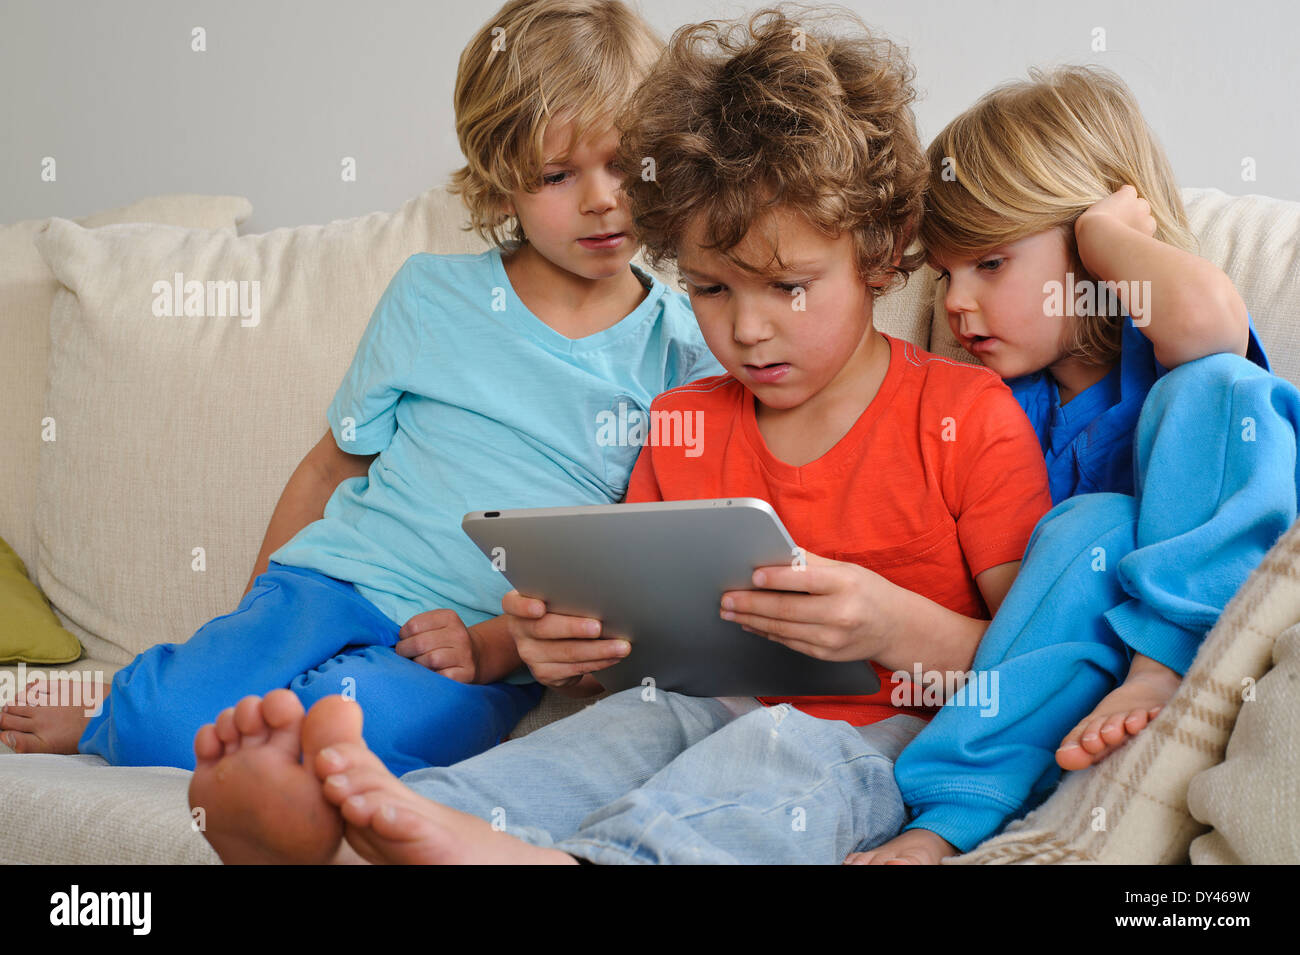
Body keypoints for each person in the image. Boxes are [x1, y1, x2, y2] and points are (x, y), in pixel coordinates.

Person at [185, 5, 1057, 865]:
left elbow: (1031, 668)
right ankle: (381, 825)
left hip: (872, 739)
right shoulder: (681, 422)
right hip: (700, 701)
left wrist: (891, 627)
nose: (747, 330)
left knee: (776, 755)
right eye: (712, 290)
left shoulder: (967, 418)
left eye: (786, 285)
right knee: (616, 728)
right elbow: (636, 659)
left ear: (879, 249)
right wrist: (556, 649)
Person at [0, 0, 722, 776]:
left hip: (473, 643)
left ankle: (255, 713)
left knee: (336, 750)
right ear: (499, 182)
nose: (601, 198)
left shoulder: (684, 350)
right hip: (334, 577)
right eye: (557, 174)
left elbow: (637, 568)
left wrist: (497, 646)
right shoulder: (431, 296)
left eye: (624, 165)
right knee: (165, 729)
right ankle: (132, 699)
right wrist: (251, 621)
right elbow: (330, 465)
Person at [851, 66, 1300, 864]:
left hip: (1207, 621)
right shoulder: (997, 406)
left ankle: (1161, 662)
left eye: (991, 264)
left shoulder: (1164, 355)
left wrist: (1106, 237)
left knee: (1220, 387)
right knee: (1095, 523)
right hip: (1071, 680)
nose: (955, 303)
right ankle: (948, 816)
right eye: (946, 273)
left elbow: (1207, 328)